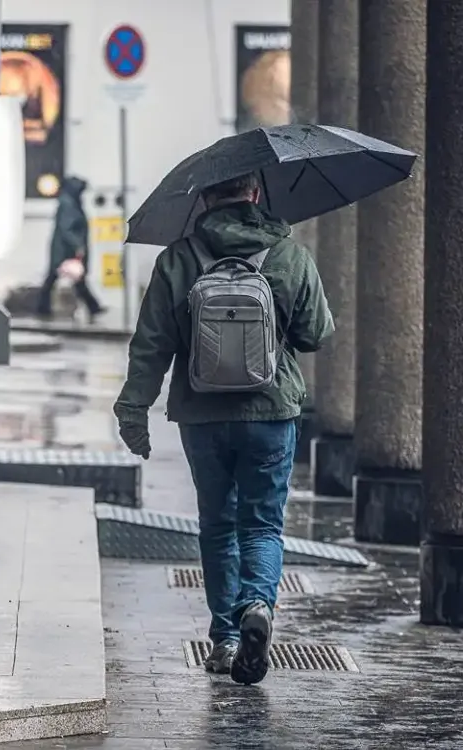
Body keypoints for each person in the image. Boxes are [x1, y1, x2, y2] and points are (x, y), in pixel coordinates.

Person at [112, 172, 333, 685]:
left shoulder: (178, 259)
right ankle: (257, 603)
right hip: (271, 413)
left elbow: (151, 346)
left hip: (202, 414)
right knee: (261, 524)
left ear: (204, 198)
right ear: (255, 193)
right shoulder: (288, 254)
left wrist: (133, 410)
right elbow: (317, 333)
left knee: (217, 524)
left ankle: (224, 638)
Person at [36, 176, 106, 321]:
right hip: (65, 249)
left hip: (62, 248)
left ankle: (43, 307)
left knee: (63, 278)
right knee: (65, 278)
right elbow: (67, 228)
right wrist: (77, 246)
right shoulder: (69, 204)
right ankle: (93, 306)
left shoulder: (68, 201)